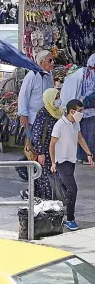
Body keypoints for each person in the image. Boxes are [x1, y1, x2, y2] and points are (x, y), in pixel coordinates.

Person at [50, 99, 94, 231]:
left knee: (66, 189)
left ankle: (59, 213)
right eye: (80, 111)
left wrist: (89, 154)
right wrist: (53, 162)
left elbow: (80, 138)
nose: (82, 113)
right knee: (72, 189)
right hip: (61, 161)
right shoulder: (60, 125)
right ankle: (70, 219)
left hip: (71, 160)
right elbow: (52, 144)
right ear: (72, 111)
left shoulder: (76, 123)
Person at [20, 88, 62, 200]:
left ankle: (34, 195)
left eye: (58, 97)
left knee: (52, 176)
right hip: (45, 152)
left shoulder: (57, 113)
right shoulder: (43, 114)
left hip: (55, 150)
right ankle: (46, 200)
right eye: (56, 98)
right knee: (46, 177)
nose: (58, 100)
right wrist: (40, 153)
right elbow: (37, 135)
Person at [60, 54, 95, 165]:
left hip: (78, 107)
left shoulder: (80, 72)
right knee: (88, 133)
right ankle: (86, 157)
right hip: (86, 108)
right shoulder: (88, 74)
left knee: (81, 132)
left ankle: (81, 156)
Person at [18, 50, 54, 138]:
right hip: (32, 117)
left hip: (46, 116)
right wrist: (23, 114)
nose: (52, 63)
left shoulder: (50, 75)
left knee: (42, 143)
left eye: (52, 60)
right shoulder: (32, 76)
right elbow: (23, 95)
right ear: (41, 62)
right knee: (33, 143)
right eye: (50, 60)